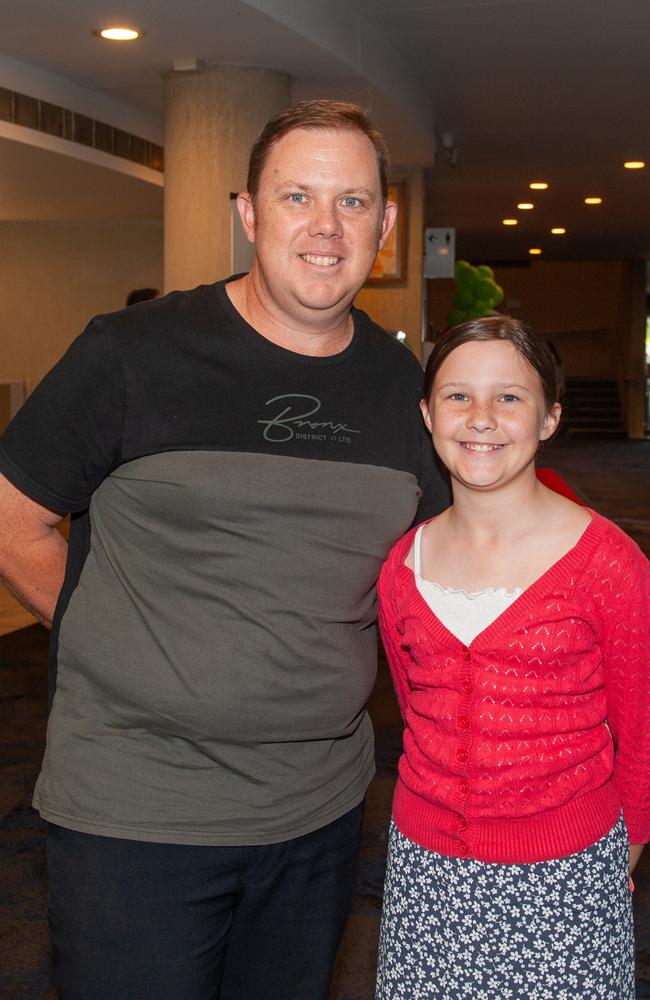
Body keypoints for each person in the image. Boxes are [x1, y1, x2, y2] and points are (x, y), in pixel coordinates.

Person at [0, 100, 448, 1000]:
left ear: (387, 224)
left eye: (353, 203)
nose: (325, 228)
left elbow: (438, 566)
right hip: (138, 811)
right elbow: (12, 519)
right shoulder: (133, 352)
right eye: (298, 197)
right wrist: (121, 642)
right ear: (249, 213)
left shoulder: (403, 388)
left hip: (319, 815)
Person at [376, 316, 649, 999]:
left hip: (566, 873)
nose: (481, 419)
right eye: (457, 396)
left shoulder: (608, 563)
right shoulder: (403, 563)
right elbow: (418, 711)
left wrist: (620, 855)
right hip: (425, 874)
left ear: (550, 417)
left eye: (510, 397)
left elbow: (643, 734)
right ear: (426, 412)